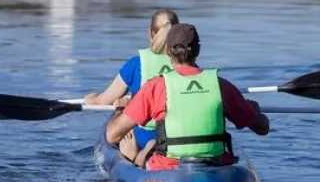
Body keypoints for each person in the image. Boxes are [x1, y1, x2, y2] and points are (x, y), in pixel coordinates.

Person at [105, 23, 270, 170]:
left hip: (169, 170)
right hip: (216, 167)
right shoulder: (221, 86)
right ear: (198, 50)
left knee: (140, 156)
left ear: (168, 51)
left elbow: (113, 135)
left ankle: (138, 156)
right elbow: (262, 128)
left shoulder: (156, 87)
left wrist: (121, 109)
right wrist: (254, 111)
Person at [86, 9, 179, 163]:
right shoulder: (187, 65)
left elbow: (103, 101)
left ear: (150, 33)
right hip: (178, 136)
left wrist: (90, 98)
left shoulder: (136, 64)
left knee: (118, 114)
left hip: (142, 136)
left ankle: (134, 156)